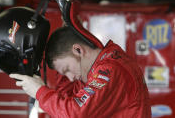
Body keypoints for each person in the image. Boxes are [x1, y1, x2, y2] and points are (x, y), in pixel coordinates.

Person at [10, 26, 151, 118]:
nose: (70, 78)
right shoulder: (97, 68)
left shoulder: (110, 70)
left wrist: (39, 91)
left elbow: (74, 113)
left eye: (67, 70)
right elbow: (67, 98)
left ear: (78, 50)